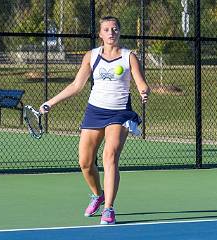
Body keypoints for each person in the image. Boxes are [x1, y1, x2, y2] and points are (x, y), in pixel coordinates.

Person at [39, 16, 150, 225]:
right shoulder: (91, 56)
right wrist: (50, 103)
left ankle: (108, 208)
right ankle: (97, 195)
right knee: (85, 163)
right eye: (106, 29)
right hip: (94, 112)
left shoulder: (129, 57)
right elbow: (76, 85)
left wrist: (144, 92)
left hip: (119, 113)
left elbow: (141, 83)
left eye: (115, 29)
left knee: (110, 157)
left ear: (120, 32)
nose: (111, 33)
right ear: (100, 34)